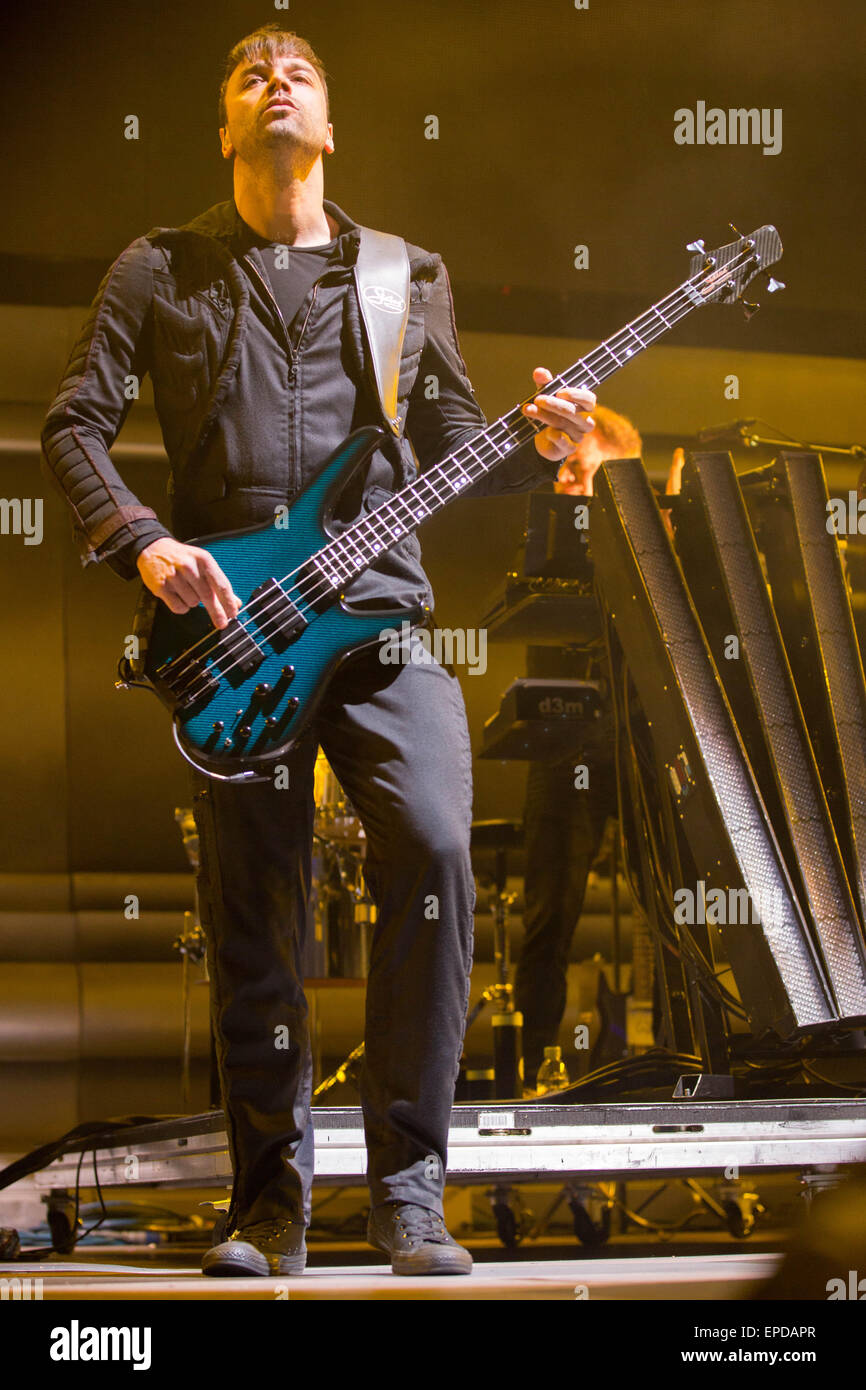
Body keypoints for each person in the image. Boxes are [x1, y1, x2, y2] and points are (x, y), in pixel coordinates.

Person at [40, 25, 597, 1277]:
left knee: (440, 848)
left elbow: (461, 437)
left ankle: (408, 1189)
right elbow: (72, 424)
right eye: (248, 76)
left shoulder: (404, 273)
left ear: (329, 129)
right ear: (224, 129)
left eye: (297, 73)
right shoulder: (160, 267)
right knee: (257, 913)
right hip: (233, 636)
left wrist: (548, 444)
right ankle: (267, 1206)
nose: (273, 82)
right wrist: (141, 541)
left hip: (382, 620)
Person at [514, 406, 643, 1086]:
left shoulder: (658, 549)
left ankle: (690, 1057)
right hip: (566, 746)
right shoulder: (550, 541)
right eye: (565, 470)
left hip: (645, 740)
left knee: (672, 905)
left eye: (583, 471)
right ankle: (537, 1066)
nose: (567, 482)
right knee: (549, 916)